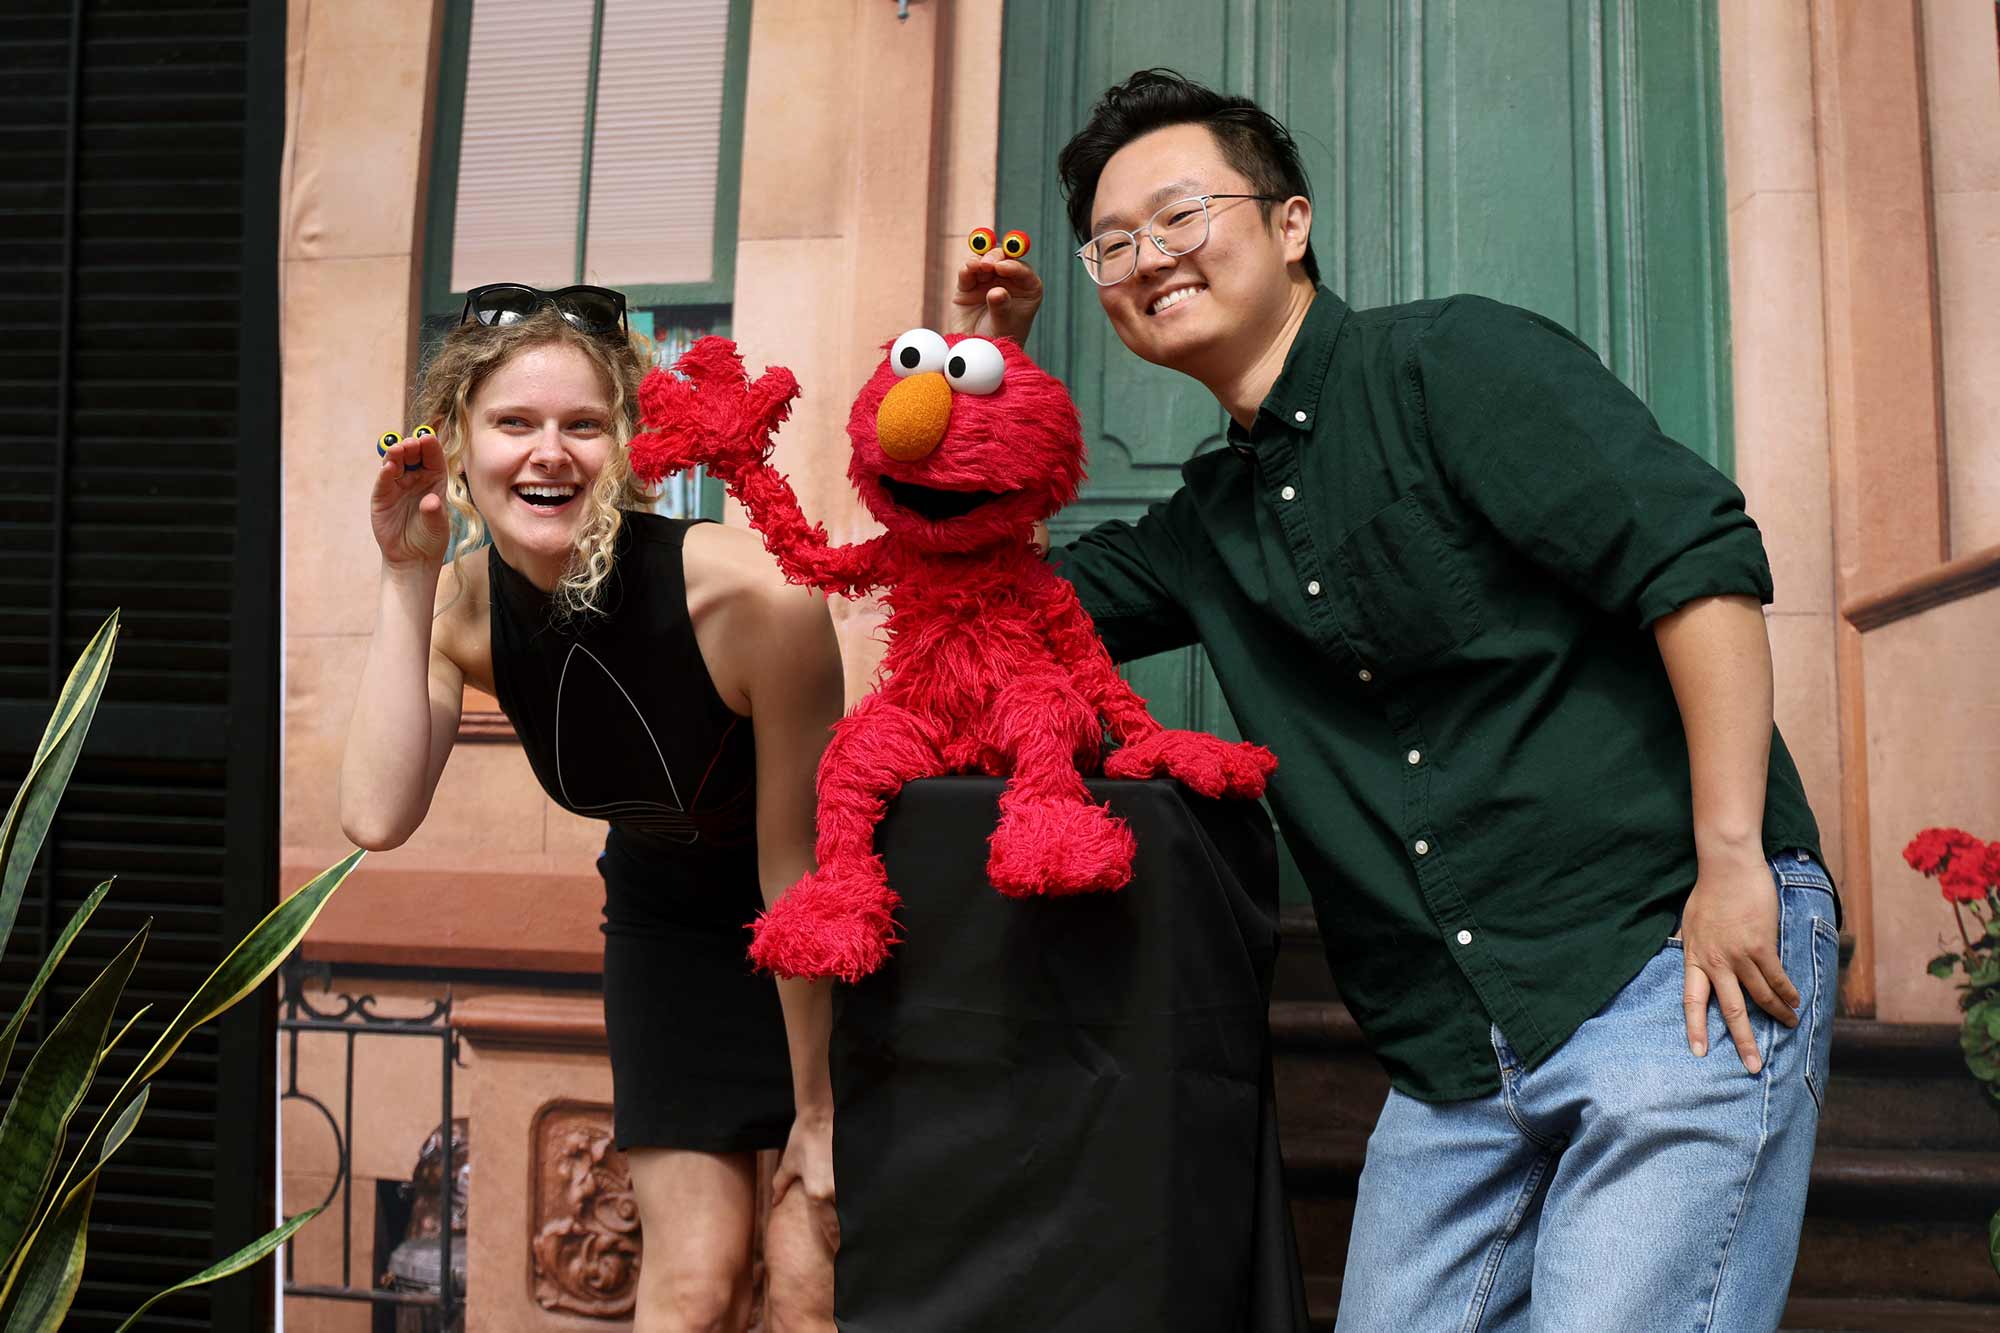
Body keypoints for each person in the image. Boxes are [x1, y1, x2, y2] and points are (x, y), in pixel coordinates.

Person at [960, 70, 1838, 1331]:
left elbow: (1691, 561)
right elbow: (983, 609)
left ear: (1289, 223)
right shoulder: (1199, 529)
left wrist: (1732, 860)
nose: (1146, 257)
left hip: (1662, 948)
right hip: (1449, 1053)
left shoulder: (1450, 362)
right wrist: (977, 376)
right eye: (1112, 242)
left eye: (1181, 215)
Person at [338, 284, 843, 1333]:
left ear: (629, 441)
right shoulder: (464, 610)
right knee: (695, 1284)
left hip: (824, 931)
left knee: (807, 1288)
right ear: (454, 445)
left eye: (583, 423)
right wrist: (407, 576)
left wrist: (819, 1110)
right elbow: (376, 815)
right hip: (666, 924)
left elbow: (803, 868)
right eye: (513, 423)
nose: (548, 453)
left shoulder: (754, 599)